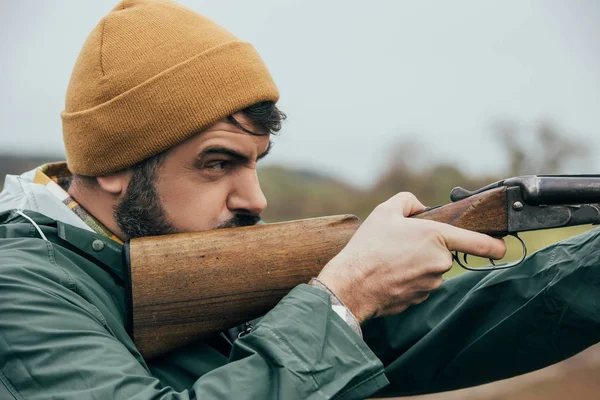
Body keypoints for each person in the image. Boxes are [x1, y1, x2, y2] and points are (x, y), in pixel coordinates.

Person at [0, 1, 598, 399]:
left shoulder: (193, 265)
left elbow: (454, 323)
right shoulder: (18, 287)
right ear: (112, 167)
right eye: (218, 163)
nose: (255, 198)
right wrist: (342, 298)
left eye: (255, 162)